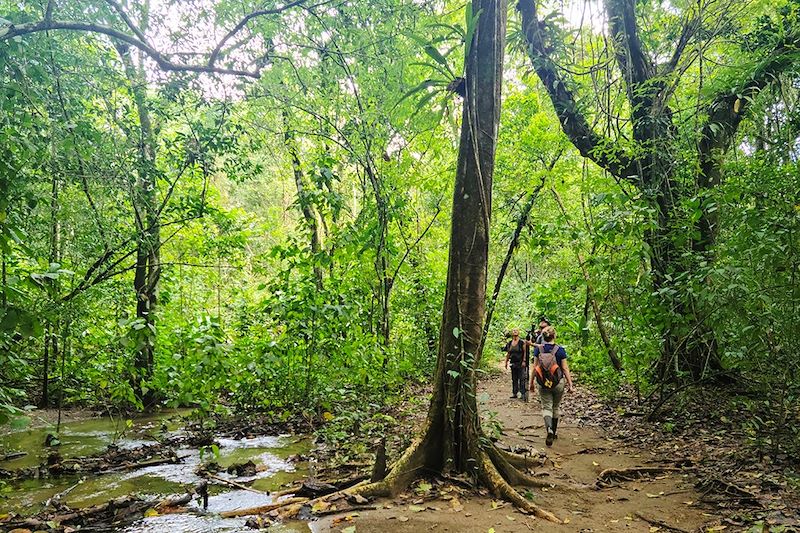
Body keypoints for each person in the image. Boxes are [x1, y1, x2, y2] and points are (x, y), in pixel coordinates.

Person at [529, 326, 574, 447]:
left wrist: (531, 383)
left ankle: (548, 428)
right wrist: (570, 383)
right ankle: (553, 432)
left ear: (543, 337)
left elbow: (535, 367)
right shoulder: (560, 350)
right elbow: (564, 368)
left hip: (543, 382)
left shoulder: (539, 349)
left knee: (546, 407)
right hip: (558, 382)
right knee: (555, 407)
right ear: (554, 336)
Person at [503, 329, 527, 399]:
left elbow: (525, 352)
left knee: (522, 378)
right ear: (511, 333)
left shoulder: (521, 342)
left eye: (516, 330)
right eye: (513, 331)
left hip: (520, 362)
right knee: (514, 378)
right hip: (513, 363)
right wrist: (506, 362)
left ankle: (523, 394)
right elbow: (508, 353)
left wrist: (524, 361)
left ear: (519, 333)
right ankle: (514, 393)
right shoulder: (510, 343)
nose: (515, 331)